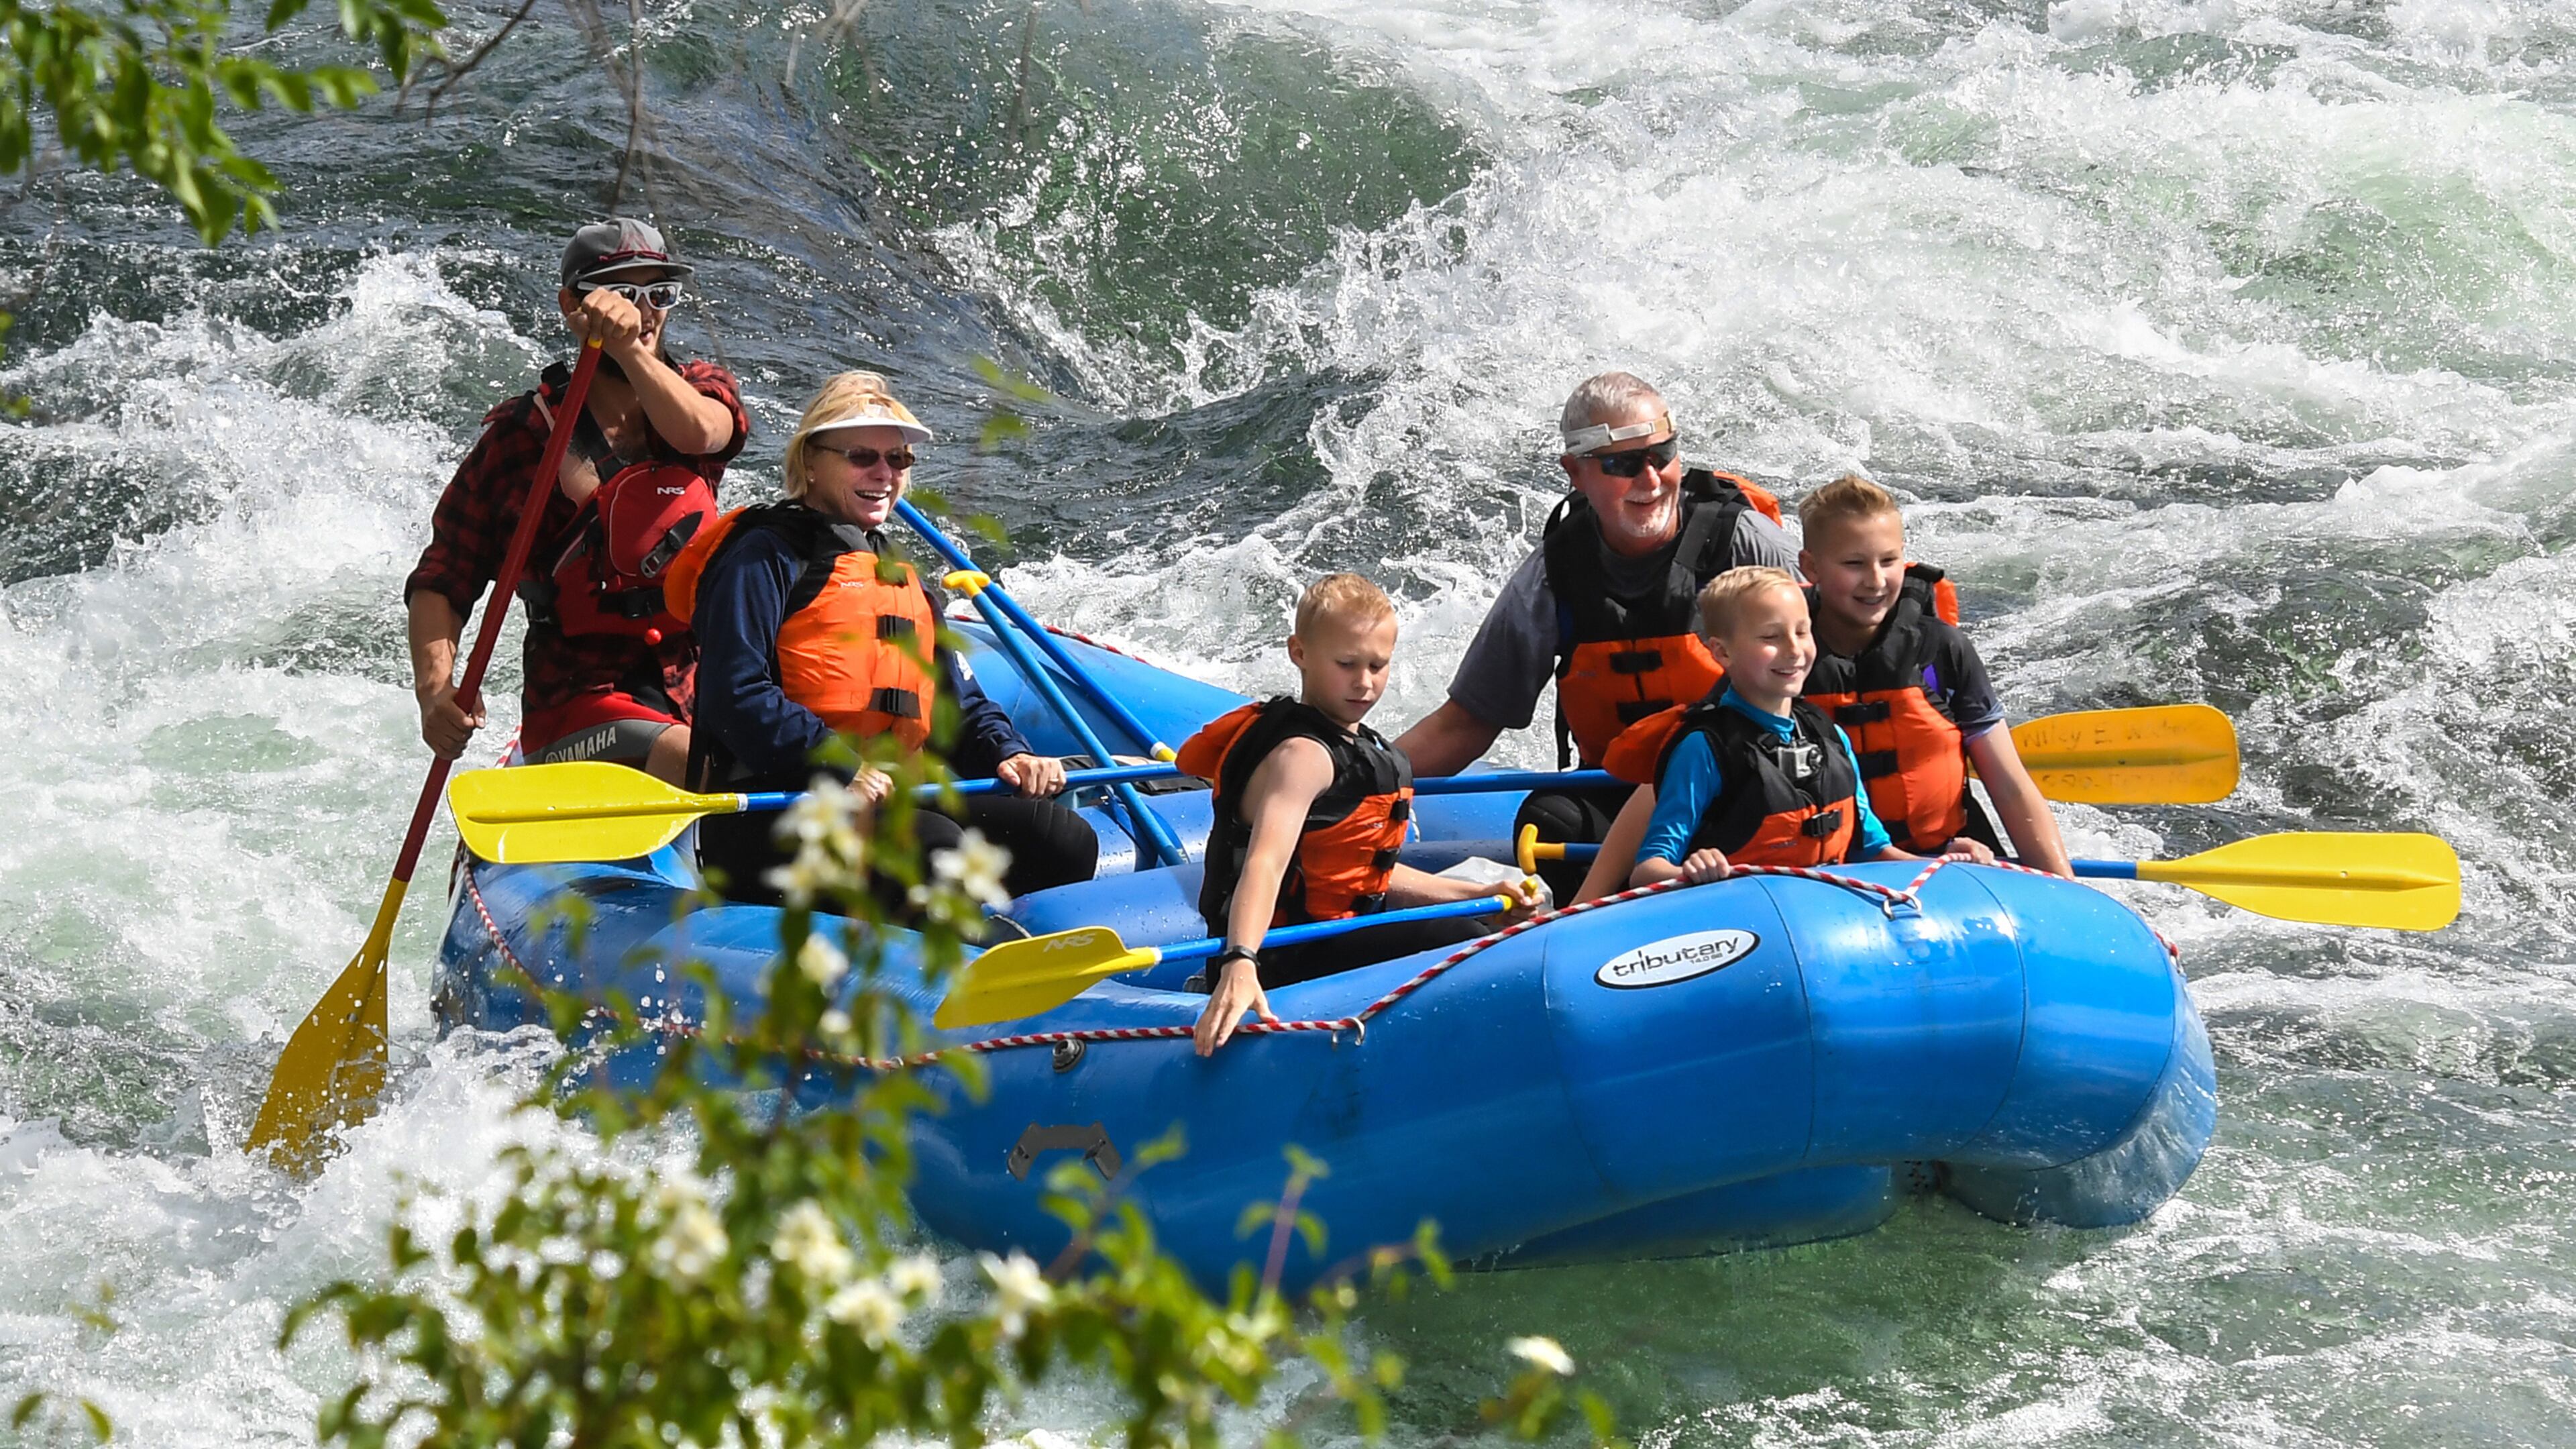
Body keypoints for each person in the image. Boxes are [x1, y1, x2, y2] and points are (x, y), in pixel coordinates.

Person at [666, 370, 1097, 907]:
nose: (883, 473)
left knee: (1061, 838)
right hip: (776, 807)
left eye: (898, 460)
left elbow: (960, 705)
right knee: (936, 848)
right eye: (861, 456)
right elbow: (735, 696)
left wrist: (1008, 752)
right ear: (811, 463)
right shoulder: (763, 557)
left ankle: (1029, 961)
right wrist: (839, 762)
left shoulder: (897, 575)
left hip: (891, 797)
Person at [1392, 371, 1799, 900]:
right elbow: (1468, 721)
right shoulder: (1556, 571)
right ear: (1576, 473)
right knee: (1551, 820)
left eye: (1662, 455)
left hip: (1745, 785)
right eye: (1622, 465)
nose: (1651, 481)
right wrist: (1357, 774)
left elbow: (1841, 652)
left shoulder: (1742, 543)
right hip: (1624, 793)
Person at [405, 218, 749, 782]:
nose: (643, 312)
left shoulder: (704, 389)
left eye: (659, 295)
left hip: (694, 681)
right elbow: (445, 576)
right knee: (697, 760)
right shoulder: (522, 437)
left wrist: (632, 352)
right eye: (622, 293)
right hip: (577, 703)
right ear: (572, 304)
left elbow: (704, 435)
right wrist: (435, 691)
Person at [1181, 574, 1543, 1055]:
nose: (1365, 682)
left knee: (1474, 929)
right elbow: (1264, 864)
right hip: (1285, 958)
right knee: (1462, 942)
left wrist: (1476, 894)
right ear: (1300, 653)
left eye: (1378, 665)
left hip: (1333, 935)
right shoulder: (1301, 756)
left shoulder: (1354, 746)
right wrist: (1240, 961)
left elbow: (1361, 875)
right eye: (1347, 664)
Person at [1608, 568, 1976, 888]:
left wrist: (1945, 863)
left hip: (1823, 915)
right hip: (1745, 922)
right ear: (1722, 653)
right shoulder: (1705, 748)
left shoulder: (1829, 734)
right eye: (1771, 637)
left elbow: (1875, 850)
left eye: (1802, 632)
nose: (1794, 650)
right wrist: (1691, 872)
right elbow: (1647, 870)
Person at [1797, 476, 2072, 875]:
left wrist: (2061, 884)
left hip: (1945, 859)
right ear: (1810, 567)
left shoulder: (1941, 649)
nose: (1875, 580)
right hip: (1826, 870)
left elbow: (2010, 786)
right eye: (1854, 564)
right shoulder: (1783, 651)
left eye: (1889, 561)